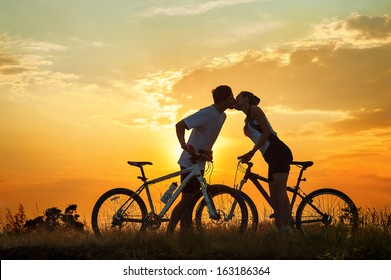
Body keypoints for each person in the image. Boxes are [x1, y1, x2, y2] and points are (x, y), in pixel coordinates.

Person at [167, 85, 236, 234]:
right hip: (189, 162)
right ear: (223, 100)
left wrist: (208, 151)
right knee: (186, 199)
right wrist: (183, 144)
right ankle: (169, 231)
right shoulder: (207, 113)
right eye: (231, 97)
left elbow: (208, 137)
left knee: (191, 200)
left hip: (200, 162)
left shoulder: (222, 116)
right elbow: (180, 125)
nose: (234, 100)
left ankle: (186, 232)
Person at [235, 91, 293, 231]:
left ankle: (288, 228)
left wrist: (252, 152)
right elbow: (259, 137)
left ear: (246, 99)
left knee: (280, 191)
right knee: (274, 196)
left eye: (238, 97)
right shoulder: (248, 118)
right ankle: (280, 230)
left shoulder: (255, 109)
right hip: (270, 156)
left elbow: (266, 131)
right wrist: (250, 154)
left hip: (278, 151)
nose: (236, 100)